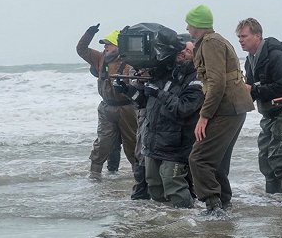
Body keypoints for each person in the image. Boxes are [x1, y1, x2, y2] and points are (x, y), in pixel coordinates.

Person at [185, 5, 254, 215]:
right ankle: (224, 205)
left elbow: (216, 83)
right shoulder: (215, 40)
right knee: (217, 160)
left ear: (197, 25)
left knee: (199, 158)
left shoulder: (210, 43)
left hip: (226, 109)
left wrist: (204, 117)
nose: (187, 28)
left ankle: (214, 206)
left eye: (189, 24)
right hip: (233, 108)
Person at [118, 38, 204, 208]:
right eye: (181, 49)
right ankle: (168, 224)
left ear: (197, 55)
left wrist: (159, 93)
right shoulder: (164, 73)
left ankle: (188, 222)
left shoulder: (196, 78)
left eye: (188, 51)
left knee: (174, 186)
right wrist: (128, 91)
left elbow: (184, 108)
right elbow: (145, 102)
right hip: (153, 143)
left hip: (175, 145)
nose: (182, 53)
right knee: (155, 187)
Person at [236, 18, 282, 194]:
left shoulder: (277, 55)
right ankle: (274, 201)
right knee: (265, 160)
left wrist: (254, 89)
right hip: (268, 114)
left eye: (244, 36)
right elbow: (250, 90)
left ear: (258, 36)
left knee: (279, 158)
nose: (240, 40)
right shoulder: (250, 59)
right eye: (238, 37)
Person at [76, 24, 138, 182]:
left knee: (132, 143)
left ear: (119, 46)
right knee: (103, 142)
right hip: (106, 107)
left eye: (108, 44)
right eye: (104, 44)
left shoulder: (132, 60)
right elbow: (81, 49)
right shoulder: (100, 58)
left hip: (127, 108)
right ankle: (94, 175)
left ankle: (139, 176)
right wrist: (89, 33)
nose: (105, 47)